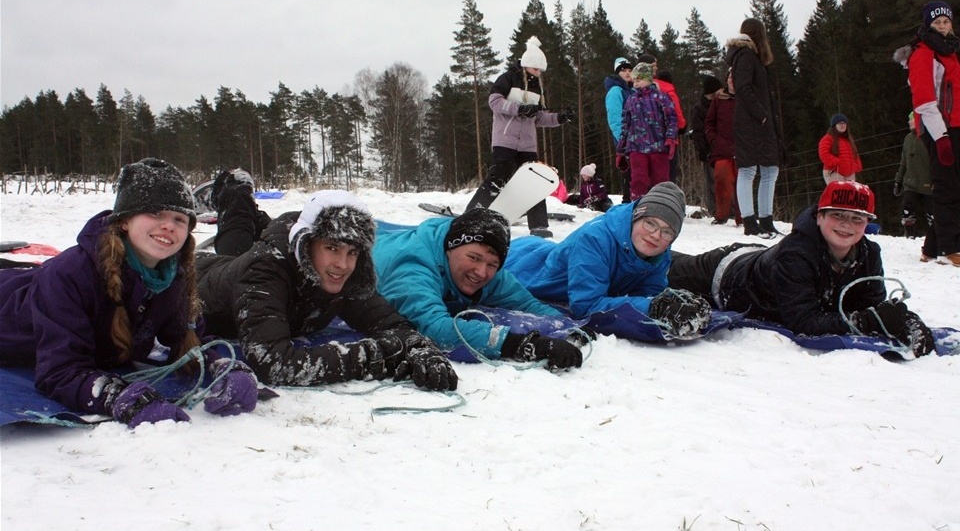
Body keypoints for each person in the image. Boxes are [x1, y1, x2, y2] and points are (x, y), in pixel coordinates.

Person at [0, 158, 258, 427]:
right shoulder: (69, 275)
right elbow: (59, 370)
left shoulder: (172, 276)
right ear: (124, 221)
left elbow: (191, 342)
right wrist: (117, 397)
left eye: (179, 219)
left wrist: (227, 368)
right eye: (156, 214)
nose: (169, 225)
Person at [196, 190, 458, 390]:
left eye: (352, 252)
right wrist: (374, 356)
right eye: (332, 248)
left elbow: (388, 323)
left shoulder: (343, 273)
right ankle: (235, 193)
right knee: (234, 237)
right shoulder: (265, 271)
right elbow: (273, 363)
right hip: (196, 277)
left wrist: (418, 348)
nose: (342, 264)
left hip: (228, 267)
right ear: (306, 245)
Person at [668, 181, 936, 357]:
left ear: (867, 224)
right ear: (819, 216)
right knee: (661, 268)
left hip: (759, 259)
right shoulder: (797, 253)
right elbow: (804, 322)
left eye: (857, 219)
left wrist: (904, 320)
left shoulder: (868, 253)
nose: (846, 225)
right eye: (837, 215)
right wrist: (865, 321)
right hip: (724, 274)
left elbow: (872, 305)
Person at [372, 207, 584, 371]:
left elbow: (527, 303)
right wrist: (523, 344)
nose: (481, 272)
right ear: (450, 248)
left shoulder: (489, 270)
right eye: (474, 258)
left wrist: (569, 324)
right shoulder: (412, 267)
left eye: (492, 264)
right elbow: (434, 328)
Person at [504, 182, 712, 339]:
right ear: (636, 217)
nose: (656, 235)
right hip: (521, 262)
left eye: (667, 231)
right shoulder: (594, 240)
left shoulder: (659, 252)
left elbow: (649, 294)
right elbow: (585, 306)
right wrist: (654, 308)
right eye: (650, 223)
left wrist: (673, 303)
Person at [465, 36, 575, 239]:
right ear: (527, 65)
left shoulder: (537, 87)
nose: (538, 73)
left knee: (533, 182)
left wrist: (559, 118)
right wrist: (519, 108)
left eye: (541, 70)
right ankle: (472, 214)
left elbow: (539, 117)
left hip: (527, 144)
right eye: (536, 69)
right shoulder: (508, 78)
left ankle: (539, 225)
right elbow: (494, 102)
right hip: (505, 139)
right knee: (499, 176)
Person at [894, 0, 960, 266]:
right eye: (937, 23)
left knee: (954, 185)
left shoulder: (950, 52)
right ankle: (949, 248)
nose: (943, 27)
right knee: (947, 187)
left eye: (946, 22)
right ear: (927, 25)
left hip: (955, 125)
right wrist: (941, 137)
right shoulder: (923, 53)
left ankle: (932, 248)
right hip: (938, 127)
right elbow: (923, 100)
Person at [725, 18, 784, 238]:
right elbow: (743, 87)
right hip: (751, 122)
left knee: (770, 169)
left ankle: (766, 221)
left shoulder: (749, 56)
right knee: (749, 169)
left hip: (758, 122)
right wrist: (761, 115)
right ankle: (750, 222)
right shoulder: (746, 56)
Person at [617, 63, 678, 201]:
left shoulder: (661, 98)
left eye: (639, 80)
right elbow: (626, 124)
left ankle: (660, 204)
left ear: (649, 79)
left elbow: (672, 119)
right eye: (634, 80)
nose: (636, 83)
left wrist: (670, 138)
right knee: (639, 178)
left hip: (658, 146)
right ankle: (637, 204)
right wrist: (621, 148)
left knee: (660, 180)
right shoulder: (631, 100)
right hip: (636, 146)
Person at [637, 55, 688, 183]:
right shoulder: (665, 88)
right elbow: (676, 113)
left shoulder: (635, 89)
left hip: (641, 142)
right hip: (665, 140)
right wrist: (681, 127)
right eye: (654, 66)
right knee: (666, 177)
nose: (656, 68)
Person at [705, 70, 741, 226]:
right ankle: (721, 216)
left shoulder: (746, 98)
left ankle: (743, 217)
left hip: (743, 150)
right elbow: (709, 122)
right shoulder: (719, 99)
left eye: (735, 77)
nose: (733, 81)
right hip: (722, 149)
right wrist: (714, 139)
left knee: (743, 184)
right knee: (721, 181)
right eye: (730, 78)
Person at [210, 168, 271, 256]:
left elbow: (215, 199)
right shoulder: (250, 208)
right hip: (237, 240)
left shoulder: (225, 203)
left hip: (228, 242)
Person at [893, 112, 934, 241]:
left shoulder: (930, 138)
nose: (909, 122)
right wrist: (898, 181)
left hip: (929, 183)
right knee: (907, 211)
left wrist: (938, 180)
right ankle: (910, 236)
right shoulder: (907, 139)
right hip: (911, 183)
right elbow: (903, 163)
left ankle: (934, 239)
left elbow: (936, 162)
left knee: (933, 214)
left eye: (911, 120)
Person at [691, 75, 724, 218]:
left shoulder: (723, 103)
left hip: (723, 147)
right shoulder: (699, 109)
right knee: (712, 182)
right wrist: (702, 150)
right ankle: (715, 210)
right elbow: (698, 131)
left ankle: (728, 209)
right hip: (709, 150)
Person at [605, 56, 635, 204]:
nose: (628, 73)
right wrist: (623, 140)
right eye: (624, 70)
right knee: (628, 175)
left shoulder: (632, 90)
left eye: (630, 70)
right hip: (625, 140)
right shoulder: (616, 91)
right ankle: (627, 205)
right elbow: (614, 119)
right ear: (618, 73)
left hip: (638, 138)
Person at [818, 114, 863, 184]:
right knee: (838, 195)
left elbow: (855, 153)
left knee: (850, 194)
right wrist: (838, 162)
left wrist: (857, 165)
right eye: (839, 123)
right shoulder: (827, 138)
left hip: (850, 174)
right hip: (834, 172)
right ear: (834, 126)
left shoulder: (849, 140)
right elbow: (824, 154)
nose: (842, 125)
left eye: (844, 123)